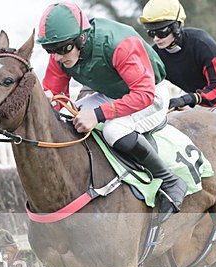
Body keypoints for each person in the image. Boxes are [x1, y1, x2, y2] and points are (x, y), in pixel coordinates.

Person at [37, 1, 187, 222]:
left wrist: (97, 115)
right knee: (67, 120)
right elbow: (55, 97)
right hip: (112, 93)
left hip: (150, 95)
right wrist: (49, 103)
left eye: (63, 48)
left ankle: (170, 181)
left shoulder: (119, 44)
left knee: (114, 130)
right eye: (51, 50)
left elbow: (143, 94)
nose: (58, 56)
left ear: (81, 38)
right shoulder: (60, 53)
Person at [140, 0, 216, 126]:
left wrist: (188, 99)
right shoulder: (155, 55)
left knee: (211, 141)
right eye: (151, 33)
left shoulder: (201, 43)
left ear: (177, 26)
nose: (156, 38)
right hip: (193, 100)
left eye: (162, 32)